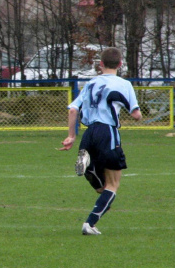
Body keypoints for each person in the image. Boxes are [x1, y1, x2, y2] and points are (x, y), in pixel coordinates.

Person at [59, 47, 142, 235]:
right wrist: (138, 114)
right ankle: (90, 223)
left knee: (103, 187)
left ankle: (93, 176)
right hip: (108, 132)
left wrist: (71, 136)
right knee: (113, 184)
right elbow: (136, 114)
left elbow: (73, 110)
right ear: (120, 64)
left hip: (89, 133)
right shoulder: (124, 84)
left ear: (100, 65)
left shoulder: (90, 83)